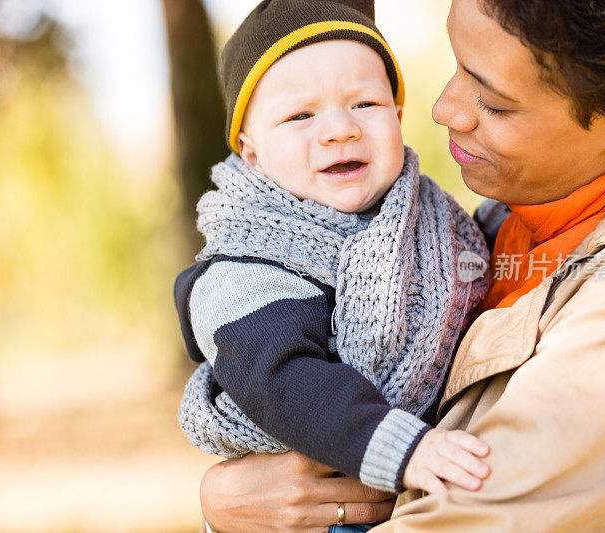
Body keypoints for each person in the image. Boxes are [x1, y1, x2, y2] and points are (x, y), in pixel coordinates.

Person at [196, 0, 605, 531]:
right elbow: (274, 371)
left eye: (493, 101)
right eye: (455, 64)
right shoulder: (497, 225)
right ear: (250, 151)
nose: (444, 109)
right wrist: (229, 501)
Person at [173, 1, 496, 530]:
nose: (339, 130)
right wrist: (402, 446)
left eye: (365, 104)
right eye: (301, 115)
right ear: (251, 153)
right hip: (324, 497)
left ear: (397, 117)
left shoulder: (433, 223)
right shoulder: (245, 270)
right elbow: (280, 378)